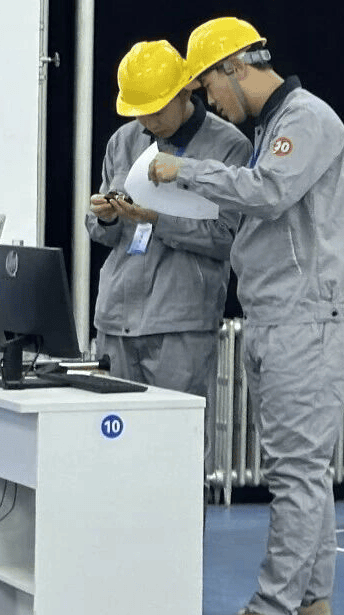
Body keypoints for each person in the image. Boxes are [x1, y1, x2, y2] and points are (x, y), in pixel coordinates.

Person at [149, 17, 344, 615]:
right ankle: (312, 603)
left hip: (307, 318)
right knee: (302, 469)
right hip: (279, 315)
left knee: (295, 472)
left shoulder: (306, 119)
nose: (211, 102)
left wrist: (183, 172)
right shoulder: (272, 128)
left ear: (235, 68)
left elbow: (268, 192)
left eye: (209, 86)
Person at [87, 40, 250, 413]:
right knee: (112, 434)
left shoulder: (229, 147)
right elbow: (101, 233)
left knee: (175, 436)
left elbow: (227, 238)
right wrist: (104, 216)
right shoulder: (123, 141)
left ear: (185, 92)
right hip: (115, 316)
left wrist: (156, 220)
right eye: (139, 112)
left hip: (180, 324)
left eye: (156, 111)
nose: (147, 122)